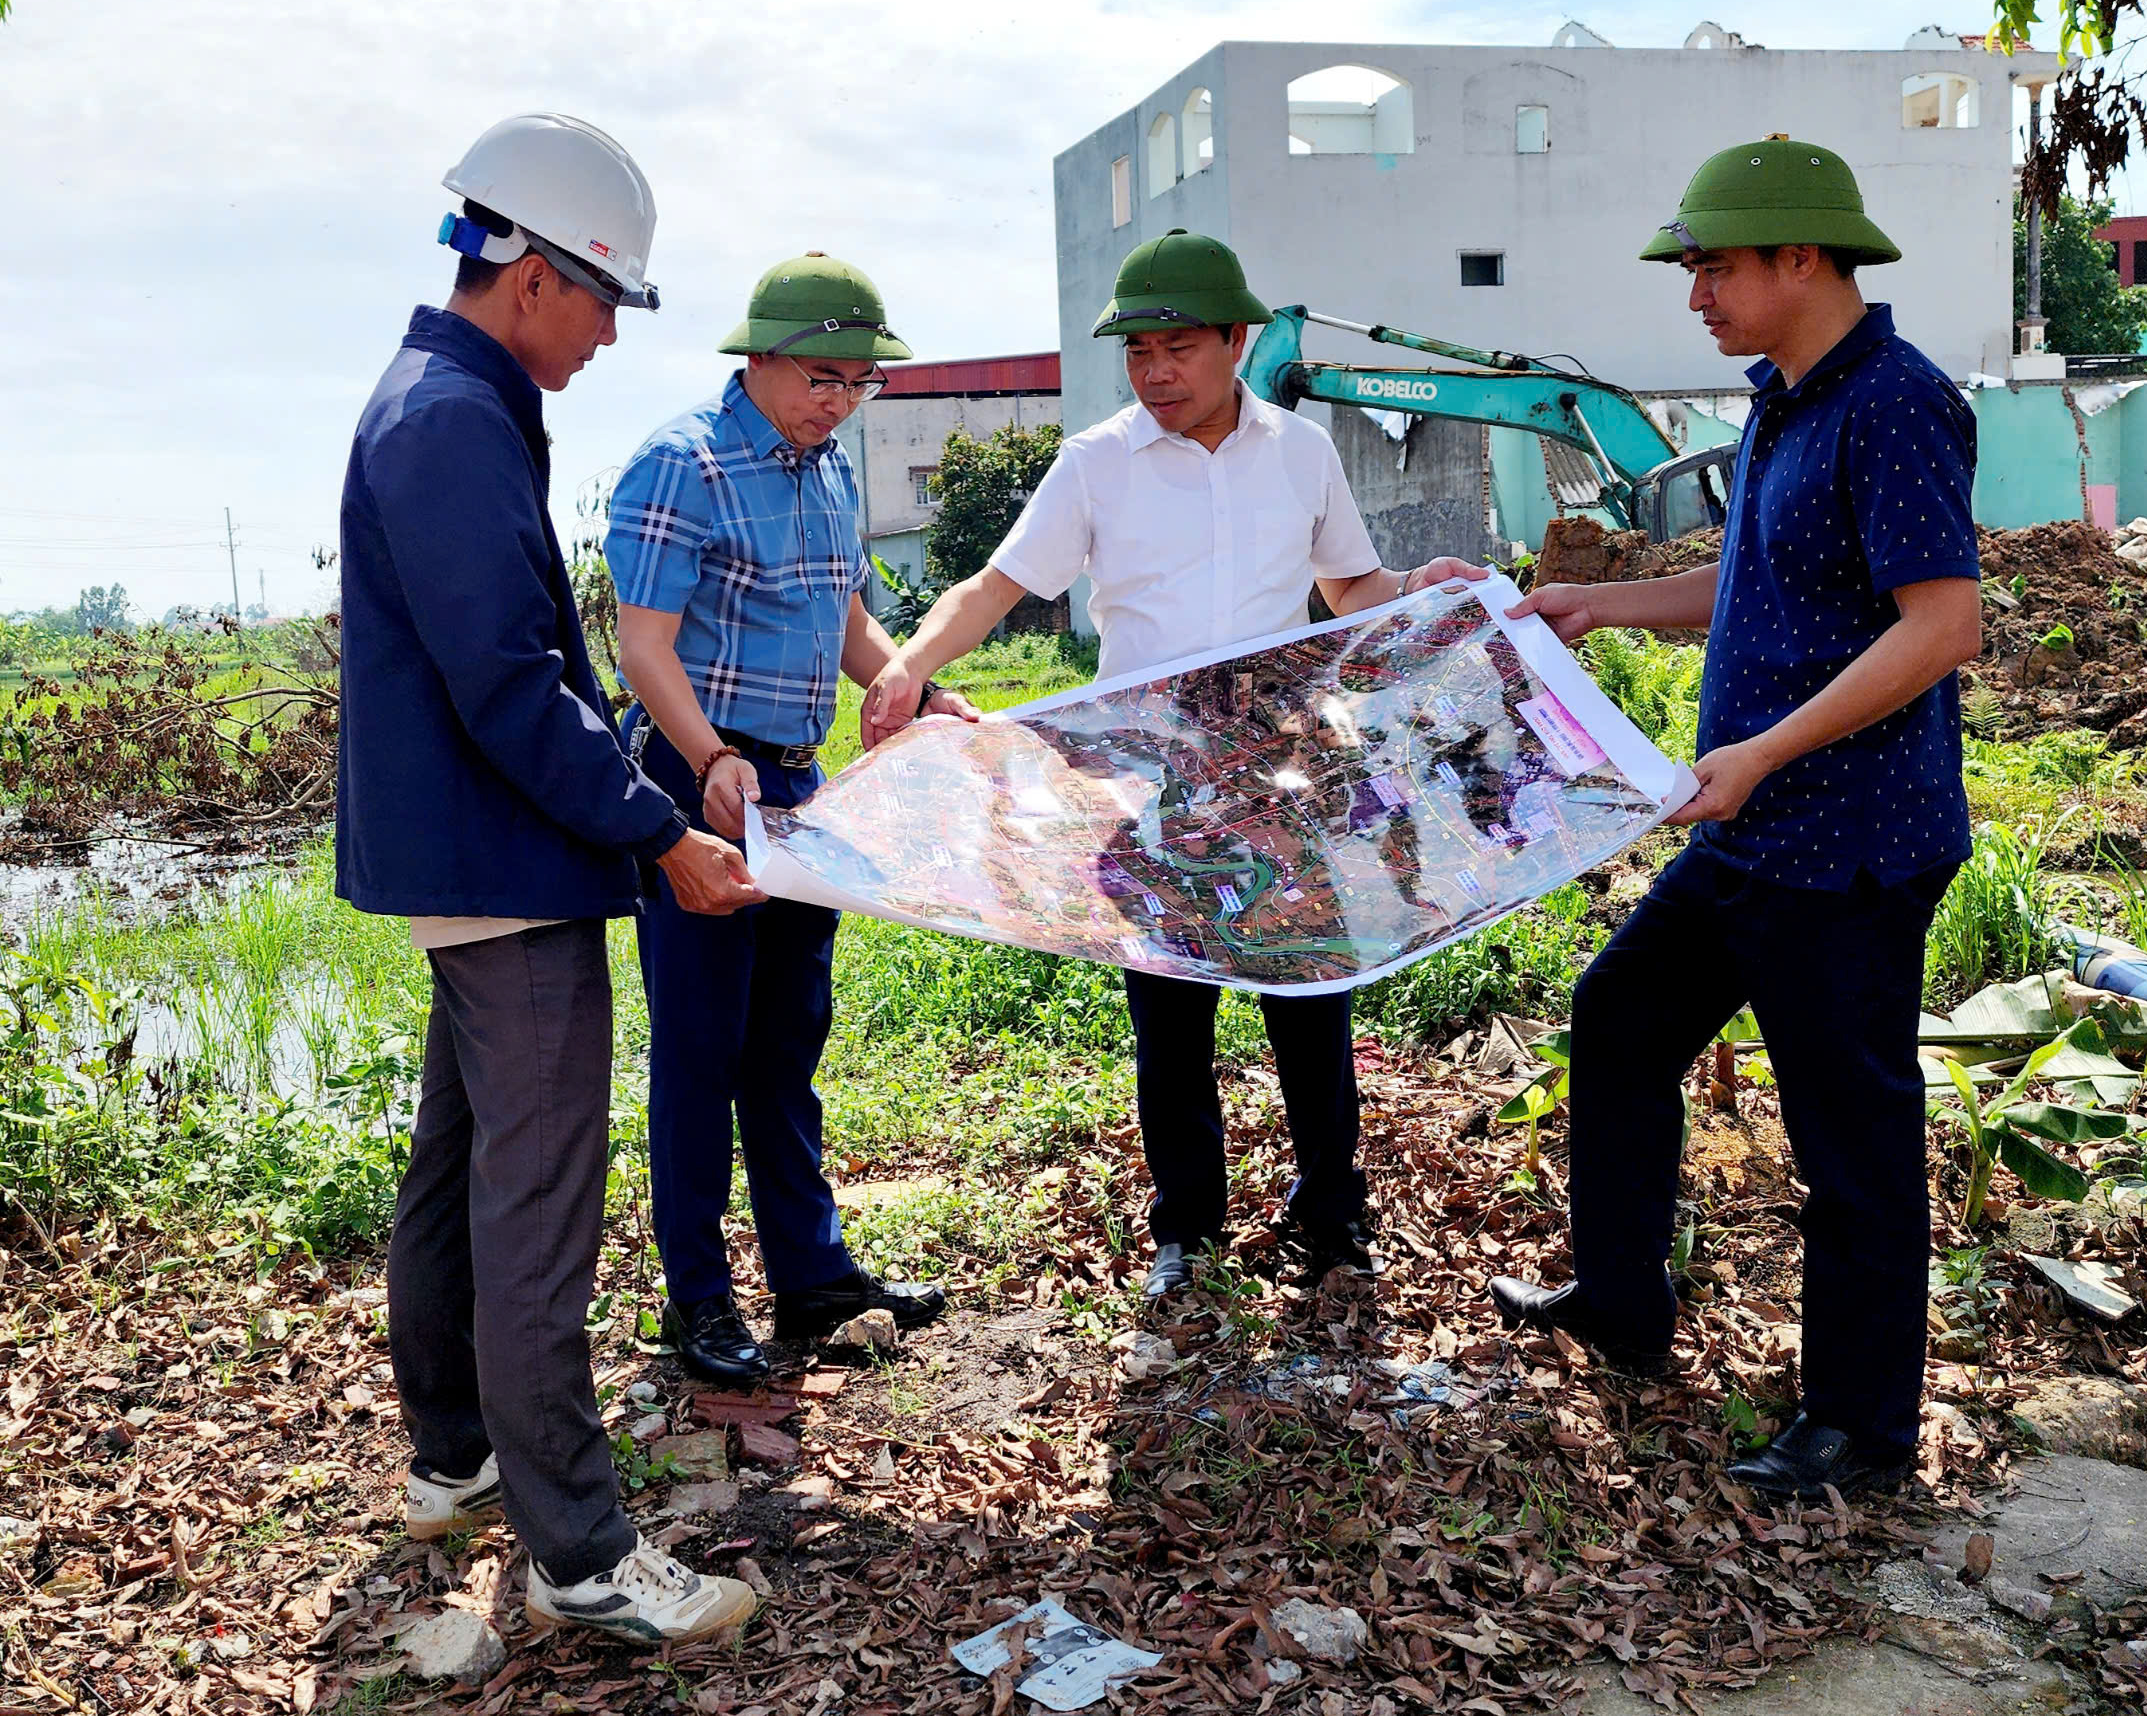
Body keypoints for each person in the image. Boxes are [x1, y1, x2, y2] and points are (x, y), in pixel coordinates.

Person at [1487, 137, 1984, 1503]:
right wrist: (1604, 601)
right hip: (1752, 826)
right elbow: (1760, 576)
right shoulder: (1784, 398)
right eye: (1695, 266)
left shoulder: (1896, 405)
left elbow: (1943, 623)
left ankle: (1862, 1431)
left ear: (1803, 260)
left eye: (1715, 265)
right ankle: (1623, 1303)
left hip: (1853, 843)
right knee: (1622, 1017)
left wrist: (1761, 747)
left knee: (1851, 1139)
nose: (1696, 291)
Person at [860, 229, 1485, 1300]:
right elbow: (997, 587)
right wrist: (909, 665)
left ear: (1238, 340)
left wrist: (1422, 592)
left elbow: (1350, 592)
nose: (1154, 372)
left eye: (1179, 347)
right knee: (1170, 1012)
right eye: (1138, 351)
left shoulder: (1301, 453)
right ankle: (1186, 1227)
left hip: (1281, 765)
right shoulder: (1097, 463)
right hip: (1148, 778)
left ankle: (1331, 1214)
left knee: (1308, 993)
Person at [339, 114, 762, 1640]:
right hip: (508, 867)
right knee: (539, 1213)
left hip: (474, 861)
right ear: (536, 272)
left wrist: (646, 802)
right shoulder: (452, 419)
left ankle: (456, 1456)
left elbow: (516, 679)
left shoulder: (445, 400)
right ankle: (581, 1552)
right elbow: (514, 688)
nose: (603, 335)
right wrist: (657, 832)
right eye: (604, 302)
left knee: (456, 1177)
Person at [606, 254, 969, 1388]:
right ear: (755, 357)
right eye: (822, 375)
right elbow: (643, 647)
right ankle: (699, 1303)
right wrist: (709, 757)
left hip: (799, 791)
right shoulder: (685, 466)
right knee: (700, 1050)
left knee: (787, 1040)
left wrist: (906, 683)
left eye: (859, 382)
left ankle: (810, 1276)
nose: (839, 398)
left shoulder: (827, 475)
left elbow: (848, 618)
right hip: (697, 779)